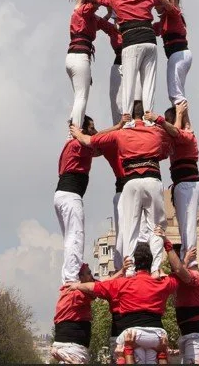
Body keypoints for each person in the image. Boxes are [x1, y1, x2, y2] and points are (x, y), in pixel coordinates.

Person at [71, 100, 172, 277]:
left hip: (130, 182)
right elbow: (169, 147)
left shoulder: (121, 134)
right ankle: (156, 268)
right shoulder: (157, 132)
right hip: (152, 178)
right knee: (156, 226)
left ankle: (130, 268)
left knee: (129, 227)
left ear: (131, 116)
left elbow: (90, 141)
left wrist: (76, 133)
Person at [77, 0, 176, 118]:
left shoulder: (116, 0)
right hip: (149, 40)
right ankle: (149, 116)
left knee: (129, 81)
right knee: (148, 81)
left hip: (131, 41)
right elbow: (167, 1)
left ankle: (127, 117)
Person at [68, 242, 187, 364]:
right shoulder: (163, 283)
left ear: (135, 263)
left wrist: (77, 285)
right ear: (151, 263)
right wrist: (181, 259)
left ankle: (129, 350)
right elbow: (180, 273)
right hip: (156, 335)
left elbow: (94, 287)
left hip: (132, 333)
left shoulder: (122, 283)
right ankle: (161, 354)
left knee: (124, 349)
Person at [146, 102, 199, 263]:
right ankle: (188, 256)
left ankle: (190, 259)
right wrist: (181, 113)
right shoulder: (181, 134)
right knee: (184, 223)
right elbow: (174, 131)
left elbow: (176, 131)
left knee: (187, 223)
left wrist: (161, 119)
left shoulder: (187, 135)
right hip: (183, 184)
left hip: (187, 184)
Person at [157, 229, 199, 365]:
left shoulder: (196, 276)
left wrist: (166, 242)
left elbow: (179, 270)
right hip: (188, 334)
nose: (172, 262)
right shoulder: (178, 278)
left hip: (197, 334)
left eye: (176, 258)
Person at [54, 118, 99, 284]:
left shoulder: (73, 143)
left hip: (64, 195)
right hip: (70, 195)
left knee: (69, 239)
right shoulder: (78, 145)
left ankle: (68, 276)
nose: (94, 132)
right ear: (82, 130)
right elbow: (100, 145)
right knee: (76, 236)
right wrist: (119, 126)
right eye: (91, 128)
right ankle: (72, 277)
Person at [65, 0, 114, 127]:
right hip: (80, 57)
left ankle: (74, 127)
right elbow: (98, 1)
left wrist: (110, 13)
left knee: (78, 97)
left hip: (74, 57)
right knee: (81, 98)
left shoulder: (88, 16)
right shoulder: (83, 11)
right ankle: (74, 131)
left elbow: (106, 26)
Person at [151, 0, 192, 107]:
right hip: (177, 55)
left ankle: (182, 120)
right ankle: (183, 120)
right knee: (177, 91)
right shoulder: (164, 20)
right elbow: (152, 29)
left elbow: (169, 4)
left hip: (178, 54)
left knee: (175, 93)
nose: (154, 5)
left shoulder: (173, 14)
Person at [52, 263, 94, 364]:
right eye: (88, 273)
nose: (92, 276)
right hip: (73, 346)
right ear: (80, 277)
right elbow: (100, 288)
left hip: (68, 345)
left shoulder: (71, 292)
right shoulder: (76, 293)